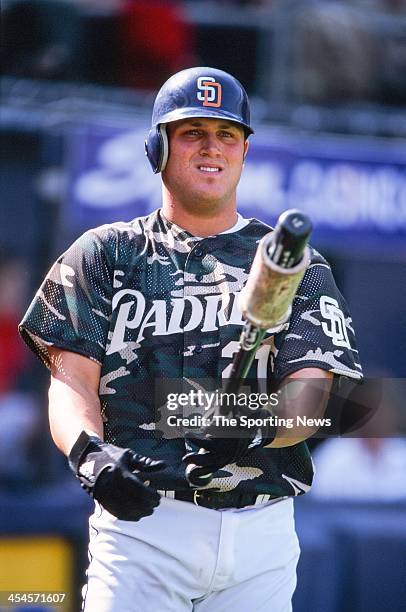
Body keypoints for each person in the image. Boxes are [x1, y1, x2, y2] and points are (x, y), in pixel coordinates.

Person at [19, 67, 362, 612]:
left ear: (245, 151)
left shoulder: (291, 263)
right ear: (159, 148)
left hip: (261, 531)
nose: (212, 148)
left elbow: (313, 399)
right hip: (143, 528)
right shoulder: (105, 253)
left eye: (227, 134)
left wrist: (249, 428)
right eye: (193, 133)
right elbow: (70, 381)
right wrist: (92, 456)